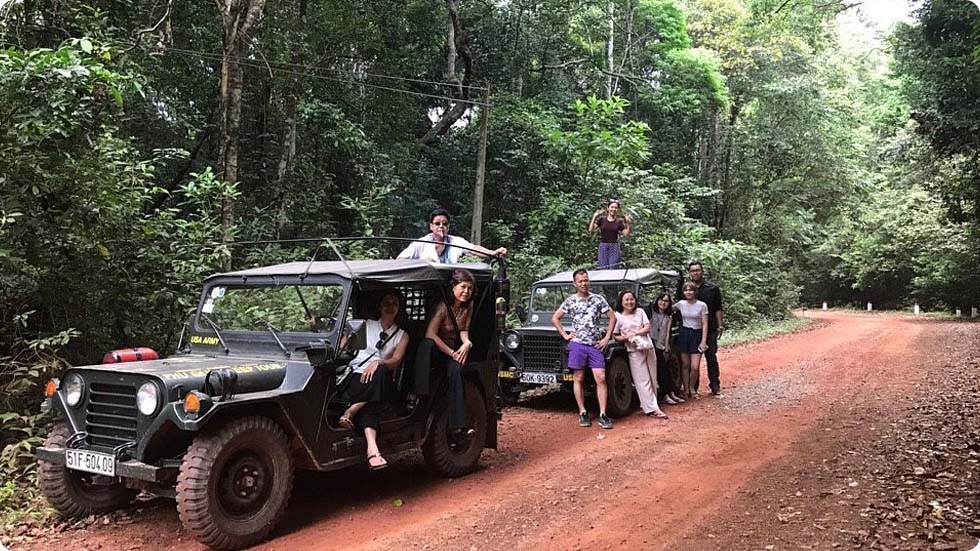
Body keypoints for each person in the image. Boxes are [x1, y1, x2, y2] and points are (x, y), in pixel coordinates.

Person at [337, 291, 410, 470]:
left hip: (381, 378)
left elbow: (395, 361)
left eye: (394, 303)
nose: (390, 306)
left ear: (399, 308)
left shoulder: (402, 335)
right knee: (372, 403)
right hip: (356, 373)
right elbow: (342, 347)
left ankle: (352, 409)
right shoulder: (366, 325)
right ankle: (373, 449)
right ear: (380, 306)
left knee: (381, 371)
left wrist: (379, 362)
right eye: (386, 302)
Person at [413, 269, 477, 440]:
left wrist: (467, 343)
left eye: (470, 288)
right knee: (426, 345)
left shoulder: (468, 307)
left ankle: (460, 425)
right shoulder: (442, 306)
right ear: (453, 287)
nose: (466, 292)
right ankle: (420, 394)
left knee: (457, 371)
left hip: (451, 352)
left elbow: (463, 329)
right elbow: (430, 334)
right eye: (463, 287)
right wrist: (452, 353)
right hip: (437, 349)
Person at [551, 269, 616, 429]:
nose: (584, 283)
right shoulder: (570, 301)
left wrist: (607, 337)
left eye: (586, 280)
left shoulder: (598, 299)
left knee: (600, 377)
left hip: (595, 344)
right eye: (580, 281)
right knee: (578, 378)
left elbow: (612, 317)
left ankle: (603, 414)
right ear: (575, 284)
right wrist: (566, 335)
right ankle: (582, 412)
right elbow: (555, 318)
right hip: (578, 344)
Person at [613, 290, 668, 419]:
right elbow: (616, 336)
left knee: (652, 377)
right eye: (626, 300)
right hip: (633, 350)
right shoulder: (618, 316)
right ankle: (653, 409)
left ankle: (650, 404)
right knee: (642, 380)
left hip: (647, 346)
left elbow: (647, 327)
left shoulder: (640, 312)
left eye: (631, 299)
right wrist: (627, 338)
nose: (629, 302)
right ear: (621, 302)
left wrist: (635, 334)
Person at [398, 208, 507, 263]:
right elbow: (400, 259)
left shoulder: (456, 242)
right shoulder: (421, 243)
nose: (441, 226)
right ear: (431, 226)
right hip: (428, 286)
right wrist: (421, 263)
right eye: (437, 224)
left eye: (445, 224)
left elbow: (473, 249)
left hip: (450, 287)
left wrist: (492, 253)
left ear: (448, 227)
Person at [688, 261, 725, 395]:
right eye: (693, 271)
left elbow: (718, 308)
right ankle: (693, 387)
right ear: (690, 273)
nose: (696, 272)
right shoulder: (686, 288)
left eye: (698, 270)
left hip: (710, 328)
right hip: (692, 329)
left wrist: (720, 325)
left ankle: (715, 385)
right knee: (692, 360)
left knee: (711, 356)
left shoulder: (712, 288)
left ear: (702, 271)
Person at [673, 282, 708, 399]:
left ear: (695, 292)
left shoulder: (702, 305)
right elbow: (667, 308)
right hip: (684, 334)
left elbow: (705, 324)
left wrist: (703, 341)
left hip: (696, 334)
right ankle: (686, 389)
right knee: (685, 365)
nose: (688, 292)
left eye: (691, 290)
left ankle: (692, 387)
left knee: (694, 367)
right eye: (686, 290)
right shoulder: (681, 304)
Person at [650, 293, 684, 405]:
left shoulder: (669, 316)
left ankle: (671, 393)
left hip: (661, 345)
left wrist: (666, 346)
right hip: (651, 345)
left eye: (666, 301)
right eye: (661, 300)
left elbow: (667, 332)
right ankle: (665, 394)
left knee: (667, 369)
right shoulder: (650, 313)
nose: (663, 303)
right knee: (662, 370)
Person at [588, 200, 631, 268]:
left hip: (614, 246)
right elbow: (591, 230)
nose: (613, 209)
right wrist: (594, 217)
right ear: (608, 208)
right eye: (612, 207)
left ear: (618, 209)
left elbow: (626, 234)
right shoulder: (602, 220)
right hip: (603, 246)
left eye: (616, 208)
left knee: (613, 268)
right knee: (603, 268)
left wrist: (628, 223)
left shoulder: (619, 221)